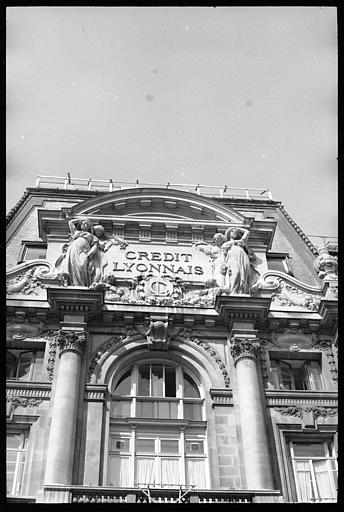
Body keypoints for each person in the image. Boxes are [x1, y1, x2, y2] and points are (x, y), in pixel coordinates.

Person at [55, 218, 99, 286]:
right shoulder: (77, 232)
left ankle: (82, 284)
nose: (83, 225)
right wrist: (80, 219)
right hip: (74, 249)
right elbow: (70, 222)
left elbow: (95, 246)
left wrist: (90, 253)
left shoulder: (92, 236)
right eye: (82, 224)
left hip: (85, 251)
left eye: (86, 224)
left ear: (89, 227)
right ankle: (73, 283)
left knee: (83, 264)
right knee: (73, 266)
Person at [222, 227, 251, 294]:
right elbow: (223, 251)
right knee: (236, 273)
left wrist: (236, 228)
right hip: (232, 257)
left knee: (243, 274)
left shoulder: (241, 241)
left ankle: (241, 292)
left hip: (243, 256)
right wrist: (224, 263)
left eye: (235, 231)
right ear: (229, 235)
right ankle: (233, 291)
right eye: (232, 231)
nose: (234, 232)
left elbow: (247, 232)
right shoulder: (227, 244)